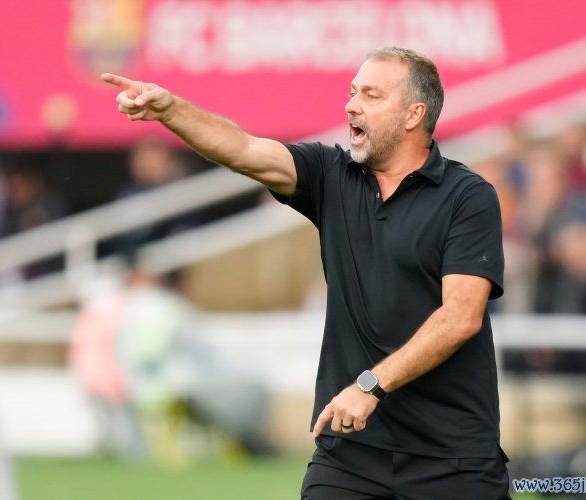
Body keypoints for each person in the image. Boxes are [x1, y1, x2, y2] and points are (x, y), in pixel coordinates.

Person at [103, 46, 509, 499]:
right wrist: (170, 110)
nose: (351, 105)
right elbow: (241, 148)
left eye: (371, 95)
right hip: (351, 451)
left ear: (414, 114)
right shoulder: (331, 174)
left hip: (452, 457)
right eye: (352, 92)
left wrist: (371, 386)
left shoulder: (467, 197)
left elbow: (461, 317)